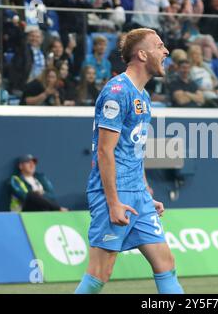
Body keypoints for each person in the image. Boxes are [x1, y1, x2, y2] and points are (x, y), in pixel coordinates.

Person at [75, 28, 184, 294]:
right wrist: (113, 202)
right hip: (113, 193)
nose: (166, 51)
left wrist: (145, 191)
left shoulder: (144, 97)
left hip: (138, 194)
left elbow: (134, 150)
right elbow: (104, 152)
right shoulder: (116, 91)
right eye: (160, 46)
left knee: (166, 263)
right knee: (100, 273)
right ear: (143, 54)